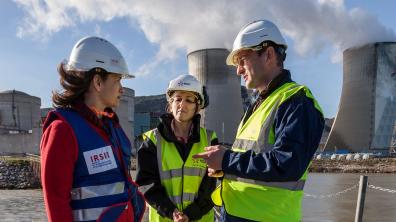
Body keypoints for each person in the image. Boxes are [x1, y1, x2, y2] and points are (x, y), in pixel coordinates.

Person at [193, 20, 324, 222]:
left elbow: (288, 164)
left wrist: (227, 160)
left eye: (242, 60)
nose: (238, 71)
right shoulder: (258, 105)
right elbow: (252, 157)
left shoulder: (297, 101)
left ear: (269, 54)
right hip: (236, 214)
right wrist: (224, 167)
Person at [40, 36, 145, 222]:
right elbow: (56, 203)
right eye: (118, 80)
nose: (121, 89)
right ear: (98, 82)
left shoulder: (111, 126)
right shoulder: (62, 130)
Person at [136, 74, 218, 222]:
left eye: (189, 100)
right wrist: (171, 212)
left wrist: (191, 213)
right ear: (170, 103)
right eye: (178, 99)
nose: (182, 104)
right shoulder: (152, 141)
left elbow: (210, 187)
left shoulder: (209, 140)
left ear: (197, 106)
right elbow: (146, 184)